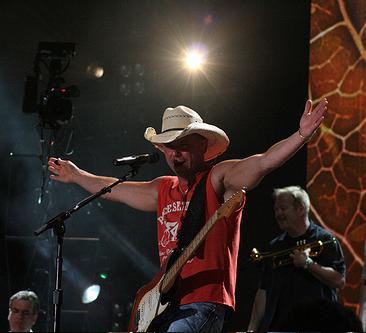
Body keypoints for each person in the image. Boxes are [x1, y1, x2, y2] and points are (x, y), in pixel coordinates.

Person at [48, 99, 327, 332]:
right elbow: (112, 190)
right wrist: (77, 175)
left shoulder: (218, 177)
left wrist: (300, 135)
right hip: (166, 304)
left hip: (204, 302)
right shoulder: (162, 188)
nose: (176, 153)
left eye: (183, 145)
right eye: (169, 146)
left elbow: (263, 162)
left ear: (203, 146)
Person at [247, 186, 346, 332]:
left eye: (283, 208)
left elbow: (339, 280)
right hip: (281, 326)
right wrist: (252, 329)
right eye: (276, 209)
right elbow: (263, 291)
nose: (278, 214)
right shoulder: (275, 246)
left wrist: (308, 263)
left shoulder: (325, 240)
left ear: (301, 209)